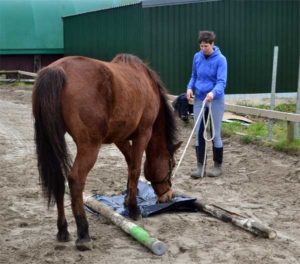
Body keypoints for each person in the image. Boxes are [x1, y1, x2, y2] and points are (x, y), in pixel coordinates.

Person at [186, 30, 227, 178]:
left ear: (212, 44)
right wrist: (190, 87)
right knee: (199, 133)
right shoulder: (197, 57)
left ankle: (217, 166)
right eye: (202, 46)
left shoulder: (221, 60)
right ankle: (200, 166)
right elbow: (194, 76)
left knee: (215, 133)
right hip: (199, 99)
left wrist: (213, 92)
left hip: (215, 100)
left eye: (206, 46)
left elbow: (222, 82)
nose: (203, 49)